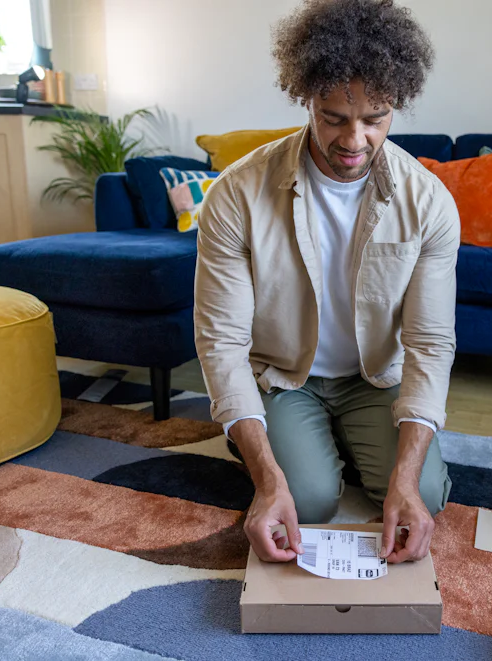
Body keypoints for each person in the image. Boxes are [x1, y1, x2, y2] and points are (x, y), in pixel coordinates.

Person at [194, 0, 459, 566]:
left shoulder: (429, 201)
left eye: (375, 118)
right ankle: (283, 442)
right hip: (289, 378)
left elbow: (432, 345)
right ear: (306, 98)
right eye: (334, 116)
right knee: (307, 500)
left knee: (427, 496)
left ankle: (339, 441)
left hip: (374, 378)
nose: (355, 139)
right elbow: (221, 343)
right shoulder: (235, 195)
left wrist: (407, 481)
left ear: (396, 106)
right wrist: (267, 480)